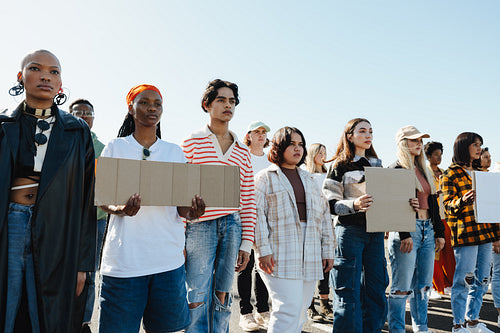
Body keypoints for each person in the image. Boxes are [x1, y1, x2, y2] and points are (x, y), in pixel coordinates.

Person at [0, 49, 96, 333]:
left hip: (60, 231)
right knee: (8, 302)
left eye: (54, 71)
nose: (45, 76)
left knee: (48, 312)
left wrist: (82, 264)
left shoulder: (77, 131)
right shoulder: (3, 125)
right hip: (10, 224)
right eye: (35, 68)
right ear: (21, 76)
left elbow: (87, 199)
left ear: (60, 83)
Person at [98, 84, 205, 333]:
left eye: (157, 104)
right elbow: (101, 197)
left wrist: (193, 212)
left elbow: (181, 210)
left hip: (167, 262)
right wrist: (120, 209)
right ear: (131, 108)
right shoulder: (116, 147)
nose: (152, 108)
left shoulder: (174, 152)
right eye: (145, 102)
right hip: (125, 262)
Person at [181, 79, 256, 333]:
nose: (228, 105)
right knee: (197, 292)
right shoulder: (191, 142)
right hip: (199, 225)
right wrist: (179, 236)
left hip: (232, 225)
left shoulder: (243, 152)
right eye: (221, 100)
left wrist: (247, 242)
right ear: (207, 105)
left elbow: (247, 198)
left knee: (223, 292)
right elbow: (180, 192)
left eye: (232, 101)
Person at [254, 126, 334, 333]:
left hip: (311, 251)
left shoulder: (310, 179)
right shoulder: (265, 177)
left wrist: (327, 251)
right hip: (279, 252)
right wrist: (263, 250)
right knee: (286, 309)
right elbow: (256, 214)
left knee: (300, 311)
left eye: (301, 144)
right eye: (291, 144)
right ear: (279, 147)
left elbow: (324, 216)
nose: (297, 149)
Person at [323, 118, 388, 332]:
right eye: (362, 131)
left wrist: (404, 204)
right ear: (349, 135)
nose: (368, 135)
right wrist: (354, 204)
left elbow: (386, 199)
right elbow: (330, 203)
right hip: (349, 232)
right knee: (347, 289)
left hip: (376, 233)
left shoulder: (378, 164)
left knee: (376, 289)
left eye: (371, 131)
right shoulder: (339, 165)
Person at [387, 126, 445, 333]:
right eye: (414, 140)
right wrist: (404, 233)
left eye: (420, 140)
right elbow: (392, 205)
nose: (419, 143)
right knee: (402, 288)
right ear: (403, 143)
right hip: (407, 231)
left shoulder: (423, 170)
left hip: (427, 229)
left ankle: (422, 328)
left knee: (423, 287)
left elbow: (434, 204)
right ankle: (397, 329)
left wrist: (439, 233)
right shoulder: (395, 170)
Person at [441, 132, 500, 333]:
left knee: (483, 280)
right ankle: (458, 325)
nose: (479, 148)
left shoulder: (481, 173)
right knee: (462, 280)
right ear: (463, 147)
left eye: (480, 145)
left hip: (485, 233)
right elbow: (447, 206)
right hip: (465, 234)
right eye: (475, 144)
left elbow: (492, 207)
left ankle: (472, 321)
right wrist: (461, 201)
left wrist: (497, 235)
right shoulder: (450, 174)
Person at [69, 98, 107, 333]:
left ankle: (83, 322)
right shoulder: (60, 141)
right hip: (64, 218)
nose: (83, 115)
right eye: (78, 112)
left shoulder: (103, 148)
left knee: (90, 272)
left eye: (88, 112)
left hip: (96, 219)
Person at [237, 121, 271, 331]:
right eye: (256, 132)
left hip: (266, 220)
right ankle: (245, 312)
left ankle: (262, 311)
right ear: (248, 135)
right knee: (245, 266)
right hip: (244, 217)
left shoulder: (270, 160)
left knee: (263, 267)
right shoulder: (242, 156)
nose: (260, 135)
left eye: (264, 132)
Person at [305, 143, 333, 323]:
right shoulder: (306, 175)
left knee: (326, 265)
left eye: (325, 152)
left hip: (328, 223)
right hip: (311, 224)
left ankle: (325, 302)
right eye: (319, 153)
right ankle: (309, 305)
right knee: (310, 265)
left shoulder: (329, 174)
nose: (323, 156)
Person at [424, 141, 456, 297]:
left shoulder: (444, 173)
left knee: (449, 252)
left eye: (440, 154)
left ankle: (450, 283)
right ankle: (437, 286)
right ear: (428, 156)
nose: (439, 157)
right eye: (436, 154)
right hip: (433, 217)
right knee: (435, 253)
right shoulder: (425, 173)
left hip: (447, 217)